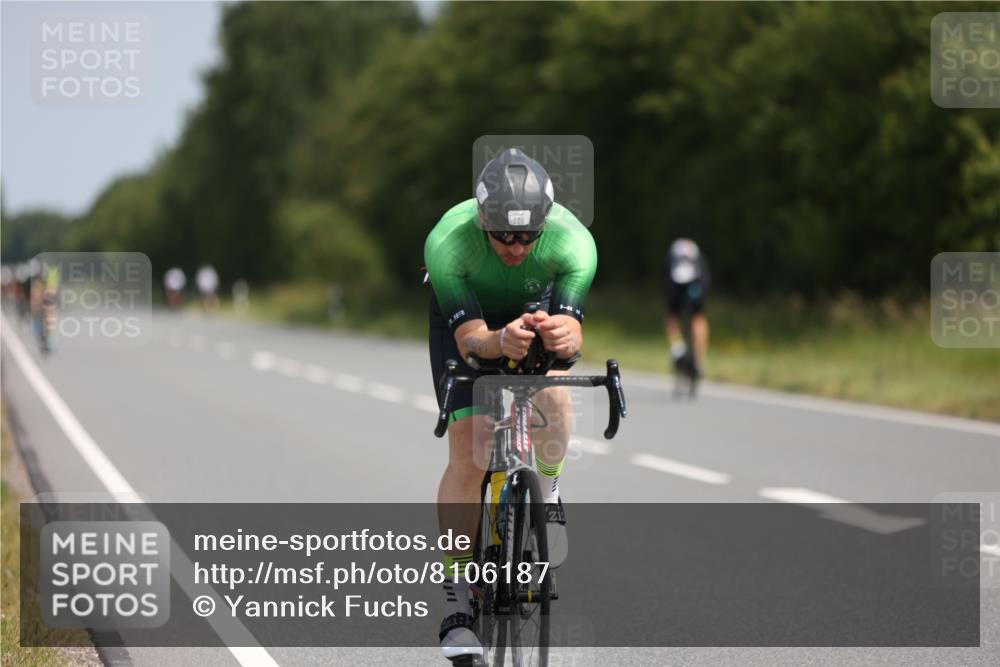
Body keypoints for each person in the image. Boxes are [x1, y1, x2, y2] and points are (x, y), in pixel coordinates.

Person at [424, 148, 596, 661]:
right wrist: (498, 342)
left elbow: (573, 333)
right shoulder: (448, 243)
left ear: (545, 225)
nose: (517, 247)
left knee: (554, 391)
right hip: (468, 319)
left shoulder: (574, 244)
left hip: (532, 305)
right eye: (504, 235)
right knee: (471, 446)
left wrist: (564, 335)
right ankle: (456, 599)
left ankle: (551, 487)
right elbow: (471, 340)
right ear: (482, 220)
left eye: (528, 236)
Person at [663, 238, 710, 378]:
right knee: (679, 314)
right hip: (679, 281)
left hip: (696, 282)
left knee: (696, 316)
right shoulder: (671, 263)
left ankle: (698, 359)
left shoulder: (700, 268)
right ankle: (679, 349)